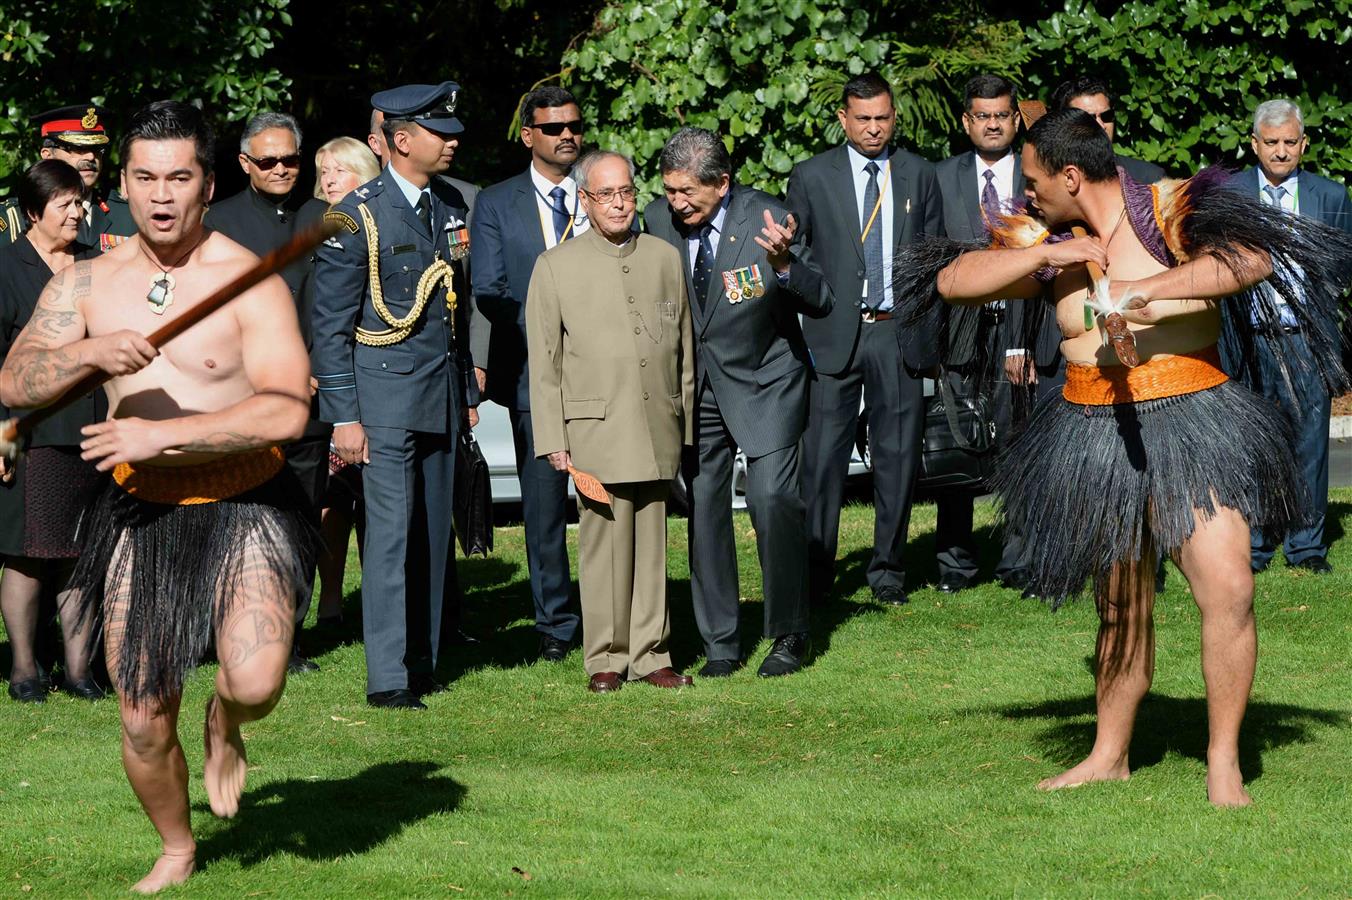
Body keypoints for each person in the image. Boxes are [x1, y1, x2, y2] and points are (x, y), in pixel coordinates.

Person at [895, 107, 1351, 805]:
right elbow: (954, 280)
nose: (1027, 193)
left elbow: (1250, 261)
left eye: (1036, 179)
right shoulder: (1046, 235)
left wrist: (1146, 292)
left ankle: (1223, 760)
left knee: (1229, 588)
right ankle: (1110, 754)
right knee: (1121, 607)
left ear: (1071, 175)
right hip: (1095, 429)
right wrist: (1046, 256)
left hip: (1194, 416)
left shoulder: (1170, 207)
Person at [0, 99, 314, 891]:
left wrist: (162, 434)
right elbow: (15, 378)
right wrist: (91, 352)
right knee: (141, 717)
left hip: (247, 504)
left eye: (179, 177)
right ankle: (177, 847)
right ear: (123, 187)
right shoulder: (86, 282)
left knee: (256, 681)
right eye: (145, 177)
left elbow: (286, 407)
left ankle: (226, 721)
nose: (162, 195)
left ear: (208, 184)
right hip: (141, 515)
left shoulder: (248, 279)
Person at [312, 82, 476, 710]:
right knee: (387, 537)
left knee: (433, 532)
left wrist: (462, 390)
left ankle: (421, 658)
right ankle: (387, 676)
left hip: (435, 393)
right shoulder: (354, 213)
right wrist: (345, 416)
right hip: (379, 400)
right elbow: (330, 326)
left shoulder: (448, 207)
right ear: (402, 141)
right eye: (441, 131)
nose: (453, 140)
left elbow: (452, 311)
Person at [644, 127, 828, 677]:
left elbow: (822, 297)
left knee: (773, 501)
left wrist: (784, 266)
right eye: (669, 190)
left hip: (765, 381)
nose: (676, 203)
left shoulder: (771, 218)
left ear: (722, 184)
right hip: (694, 388)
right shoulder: (657, 221)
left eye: (687, 193)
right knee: (704, 512)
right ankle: (721, 642)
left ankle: (789, 633)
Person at [526, 150, 695, 693]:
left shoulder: (665, 257)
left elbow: (684, 351)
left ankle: (653, 653)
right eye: (606, 194)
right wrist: (553, 438)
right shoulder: (555, 266)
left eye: (626, 191)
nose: (619, 203)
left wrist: (684, 424)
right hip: (594, 431)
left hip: (656, 425)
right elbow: (544, 362)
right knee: (602, 548)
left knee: (652, 544)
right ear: (585, 200)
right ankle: (605, 655)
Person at [786, 71, 943, 607]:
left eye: (883, 118)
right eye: (864, 119)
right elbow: (797, 254)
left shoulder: (920, 174)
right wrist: (818, 304)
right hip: (834, 335)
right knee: (823, 458)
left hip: (897, 332)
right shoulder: (810, 176)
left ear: (893, 116)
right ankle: (815, 570)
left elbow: (933, 258)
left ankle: (888, 572)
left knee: (897, 457)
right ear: (843, 119)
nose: (874, 129)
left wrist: (927, 329)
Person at [205, 112, 329, 672]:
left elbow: (339, 310)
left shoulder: (326, 219)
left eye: (291, 160)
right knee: (238, 521)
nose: (281, 169)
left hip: (312, 402)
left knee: (300, 520)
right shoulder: (218, 222)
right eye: (268, 160)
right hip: (243, 398)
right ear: (244, 164)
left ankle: (289, 636)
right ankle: (222, 632)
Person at [470, 86, 587, 662]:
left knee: (608, 499)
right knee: (543, 509)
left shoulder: (602, 194)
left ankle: (616, 611)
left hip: (601, 376)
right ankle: (556, 625)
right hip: (530, 376)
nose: (567, 135)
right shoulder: (496, 203)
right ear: (529, 135)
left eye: (574, 125)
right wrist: (549, 332)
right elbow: (488, 290)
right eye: (553, 127)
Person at [1230, 98, 1352, 575]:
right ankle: (1256, 545)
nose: (1281, 152)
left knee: (1310, 444)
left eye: (1289, 143)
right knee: (1255, 443)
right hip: (1247, 336)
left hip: (1307, 337)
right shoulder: (1231, 193)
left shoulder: (1331, 197)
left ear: (1304, 144)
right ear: (1254, 143)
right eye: (1271, 142)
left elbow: (1344, 263)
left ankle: (1306, 547)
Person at [0, 160, 107, 703]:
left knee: (82, 552)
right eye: (65, 203)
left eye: (80, 201)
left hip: (93, 430)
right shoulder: (7, 266)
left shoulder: (96, 265)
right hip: (32, 432)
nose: (77, 211)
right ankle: (23, 669)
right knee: (28, 552)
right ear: (32, 211)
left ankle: (79, 670)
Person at [932, 73, 1030, 593]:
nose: (993, 124)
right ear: (966, 121)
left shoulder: (1036, 178)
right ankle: (955, 563)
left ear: (1015, 118)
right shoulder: (940, 178)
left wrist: (1027, 340)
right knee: (955, 445)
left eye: (1002, 115)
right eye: (982, 115)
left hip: (1018, 328)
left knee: (1016, 443)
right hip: (960, 333)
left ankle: (1017, 560)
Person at [309, 136, 382, 626]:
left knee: (376, 503)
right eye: (324, 170)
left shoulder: (374, 222)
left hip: (375, 379)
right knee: (333, 501)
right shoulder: (314, 227)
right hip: (324, 382)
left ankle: (380, 600)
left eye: (340, 169)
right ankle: (331, 598)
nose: (329, 178)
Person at [34, 105, 136, 250]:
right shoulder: (20, 218)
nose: (90, 156)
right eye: (78, 148)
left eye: (97, 149)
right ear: (48, 156)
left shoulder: (128, 215)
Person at [1049, 77, 1165, 184]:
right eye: (1088, 118)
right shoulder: (1046, 180)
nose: (1101, 125)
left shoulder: (1150, 178)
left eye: (1107, 116)